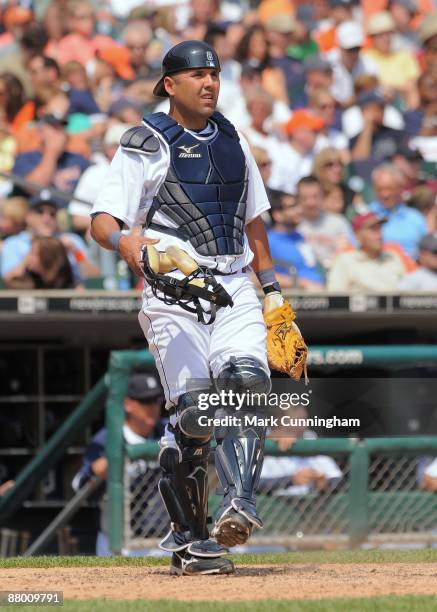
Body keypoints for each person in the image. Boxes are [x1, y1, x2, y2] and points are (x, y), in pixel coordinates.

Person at [90, 41, 284, 576]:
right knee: (195, 418)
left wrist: (272, 292)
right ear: (170, 83)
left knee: (248, 381)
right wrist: (128, 245)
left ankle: (240, 503)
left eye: (214, 74)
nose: (209, 83)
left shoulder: (233, 139)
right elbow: (102, 218)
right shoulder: (145, 140)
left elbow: (254, 221)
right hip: (175, 292)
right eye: (197, 74)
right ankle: (191, 539)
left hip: (234, 283)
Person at [72, 371, 168, 556]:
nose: (152, 407)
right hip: (119, 541)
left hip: (163, 539)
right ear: (128, 404)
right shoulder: (108, 439)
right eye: (145, 401)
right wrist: (96, 470)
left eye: (155, 401)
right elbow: (79, 486)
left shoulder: (167, 431)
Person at [327, 212, 406, 292]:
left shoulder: (392, 257)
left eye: (379, 229)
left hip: (393, 303)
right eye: (373, 230)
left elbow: (409, 292)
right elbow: (335, 296)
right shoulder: (345, 261)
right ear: (358, 235)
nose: (379, 235)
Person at [267, 190, 324, 289]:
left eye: (298, 205)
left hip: (321, 293)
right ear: (277, 215)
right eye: (292, 207)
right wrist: (303, 284)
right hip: (295, 297)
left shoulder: (299, 236)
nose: (299, 210)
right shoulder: (268, 241)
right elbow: (256, 276)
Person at [369, 164, 427, 258]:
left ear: (400, 188)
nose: (385, 194)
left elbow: (426, 250)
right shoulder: (366, 217)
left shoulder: (415, 218)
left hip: (411, 269)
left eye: (389, 188)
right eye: (380, 189)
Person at [296, 175, 354, 270]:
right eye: (305, 198)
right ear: (297, 199)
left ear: (322, 196)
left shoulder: (338, 222)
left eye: (315, 196)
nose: (311, 202)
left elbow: (351, 251)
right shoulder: (293, 226)